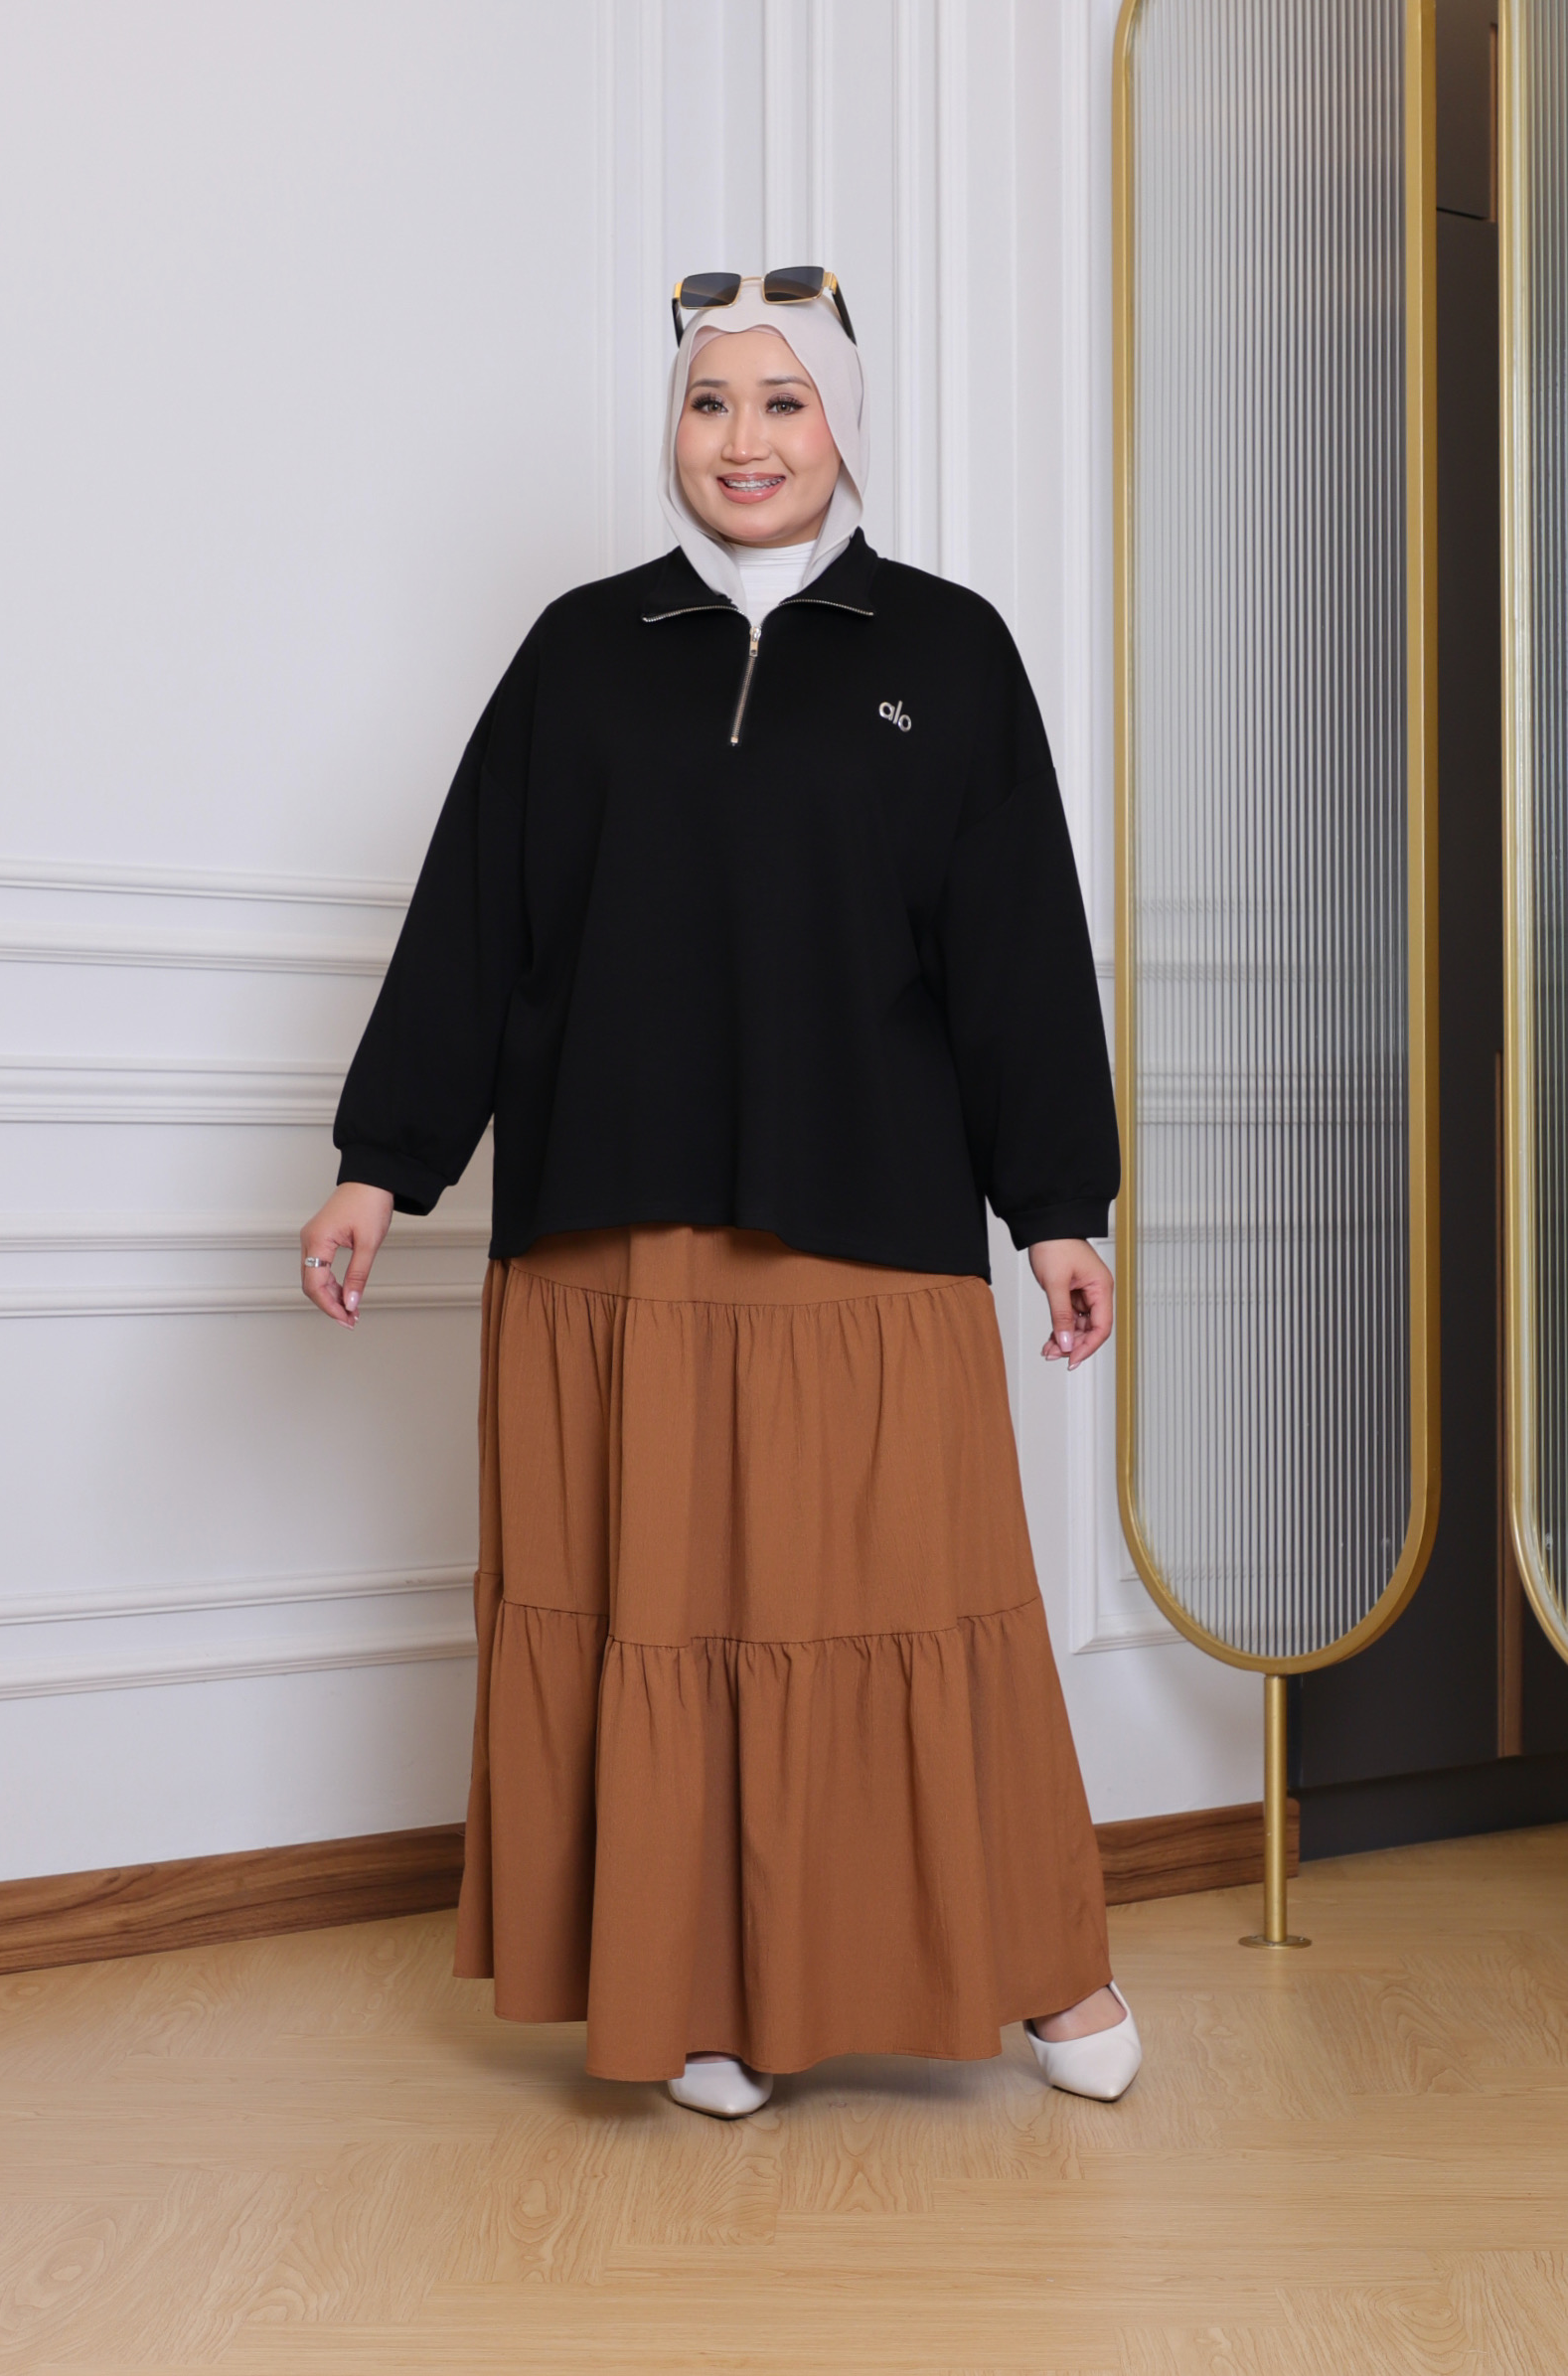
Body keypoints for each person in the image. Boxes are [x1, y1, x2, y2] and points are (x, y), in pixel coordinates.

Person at [299, 271, 1142, 2119]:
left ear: (842, 425)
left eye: (781, 401)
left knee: (916, 1598)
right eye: (707, 402)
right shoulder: (580, 651)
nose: (742, 440)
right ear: (672, 427)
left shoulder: (951, 649)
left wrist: (1057, 1207)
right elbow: (476, 918)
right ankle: (694, 1994)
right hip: (617, 1222)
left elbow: (1016, 948)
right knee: (661, 1620)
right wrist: (382, 1166)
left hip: (870, 1217)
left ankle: (1040, 1967)